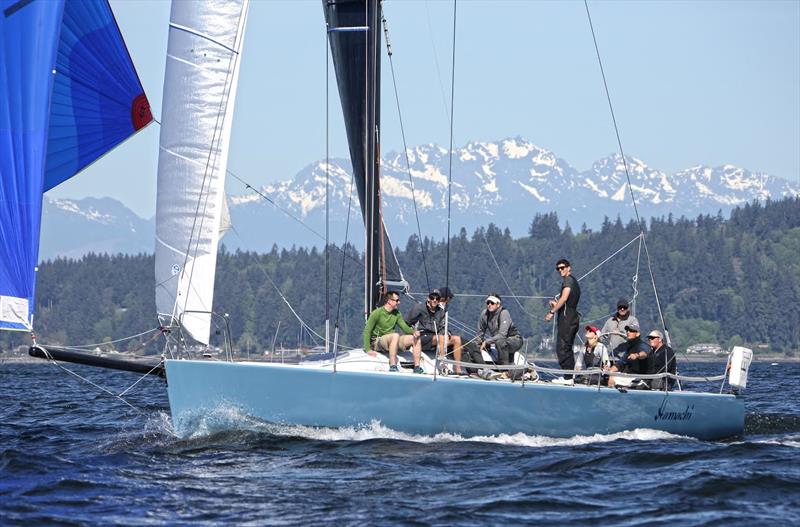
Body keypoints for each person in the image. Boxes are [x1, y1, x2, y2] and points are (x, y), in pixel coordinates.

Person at [405, 289, 464, 375]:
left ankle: (458, 370)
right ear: (428, 298)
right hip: (423, 336)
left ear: (439, 300)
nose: (434, 300)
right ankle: (443, 364)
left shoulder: (441, 311)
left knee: (457, 339)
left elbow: (442, 327)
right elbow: (406, 322)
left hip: (436, 337)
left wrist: (446, 333)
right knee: (440, 337)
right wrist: (412, 331)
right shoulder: (419, 308)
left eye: (437, 298)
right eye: (432, 298)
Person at [363, 291, 422, 373]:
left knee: (414, 338)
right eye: (397, 300)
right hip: (378, 341)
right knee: (395, 335)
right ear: (389, 301)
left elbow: (405, 328)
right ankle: (393, 365)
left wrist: (414, 332)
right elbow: (367, 331)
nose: (399, 302)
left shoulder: (397, 313)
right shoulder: (377, 313)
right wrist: (368, 349)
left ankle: (417, 367)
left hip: (393, 339)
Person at [544, 258, 581, 383]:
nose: (560, 270)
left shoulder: (568, 281)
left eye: (562, 267)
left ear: (569, 267)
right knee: (566, 347)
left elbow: (564, 298)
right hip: (570, 318)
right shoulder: (573, 281)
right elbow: (567, 302)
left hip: (568, 320)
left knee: (562, 347)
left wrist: (551, 312)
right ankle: (569, 376)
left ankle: (568, 377)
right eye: (558, 269)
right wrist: (556, 304)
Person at [475, 293, 523, 373]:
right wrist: (477, 346)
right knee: (496, 343)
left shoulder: (504, 313)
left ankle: (504, 371)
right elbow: (480, 332)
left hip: (515, 340)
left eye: (492, 303)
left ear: (498, 304)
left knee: (500, 342)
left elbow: (502, 335)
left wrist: (487, 341)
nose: (489, 305)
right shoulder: (484, 314)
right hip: (500, 341)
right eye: (488, 303)